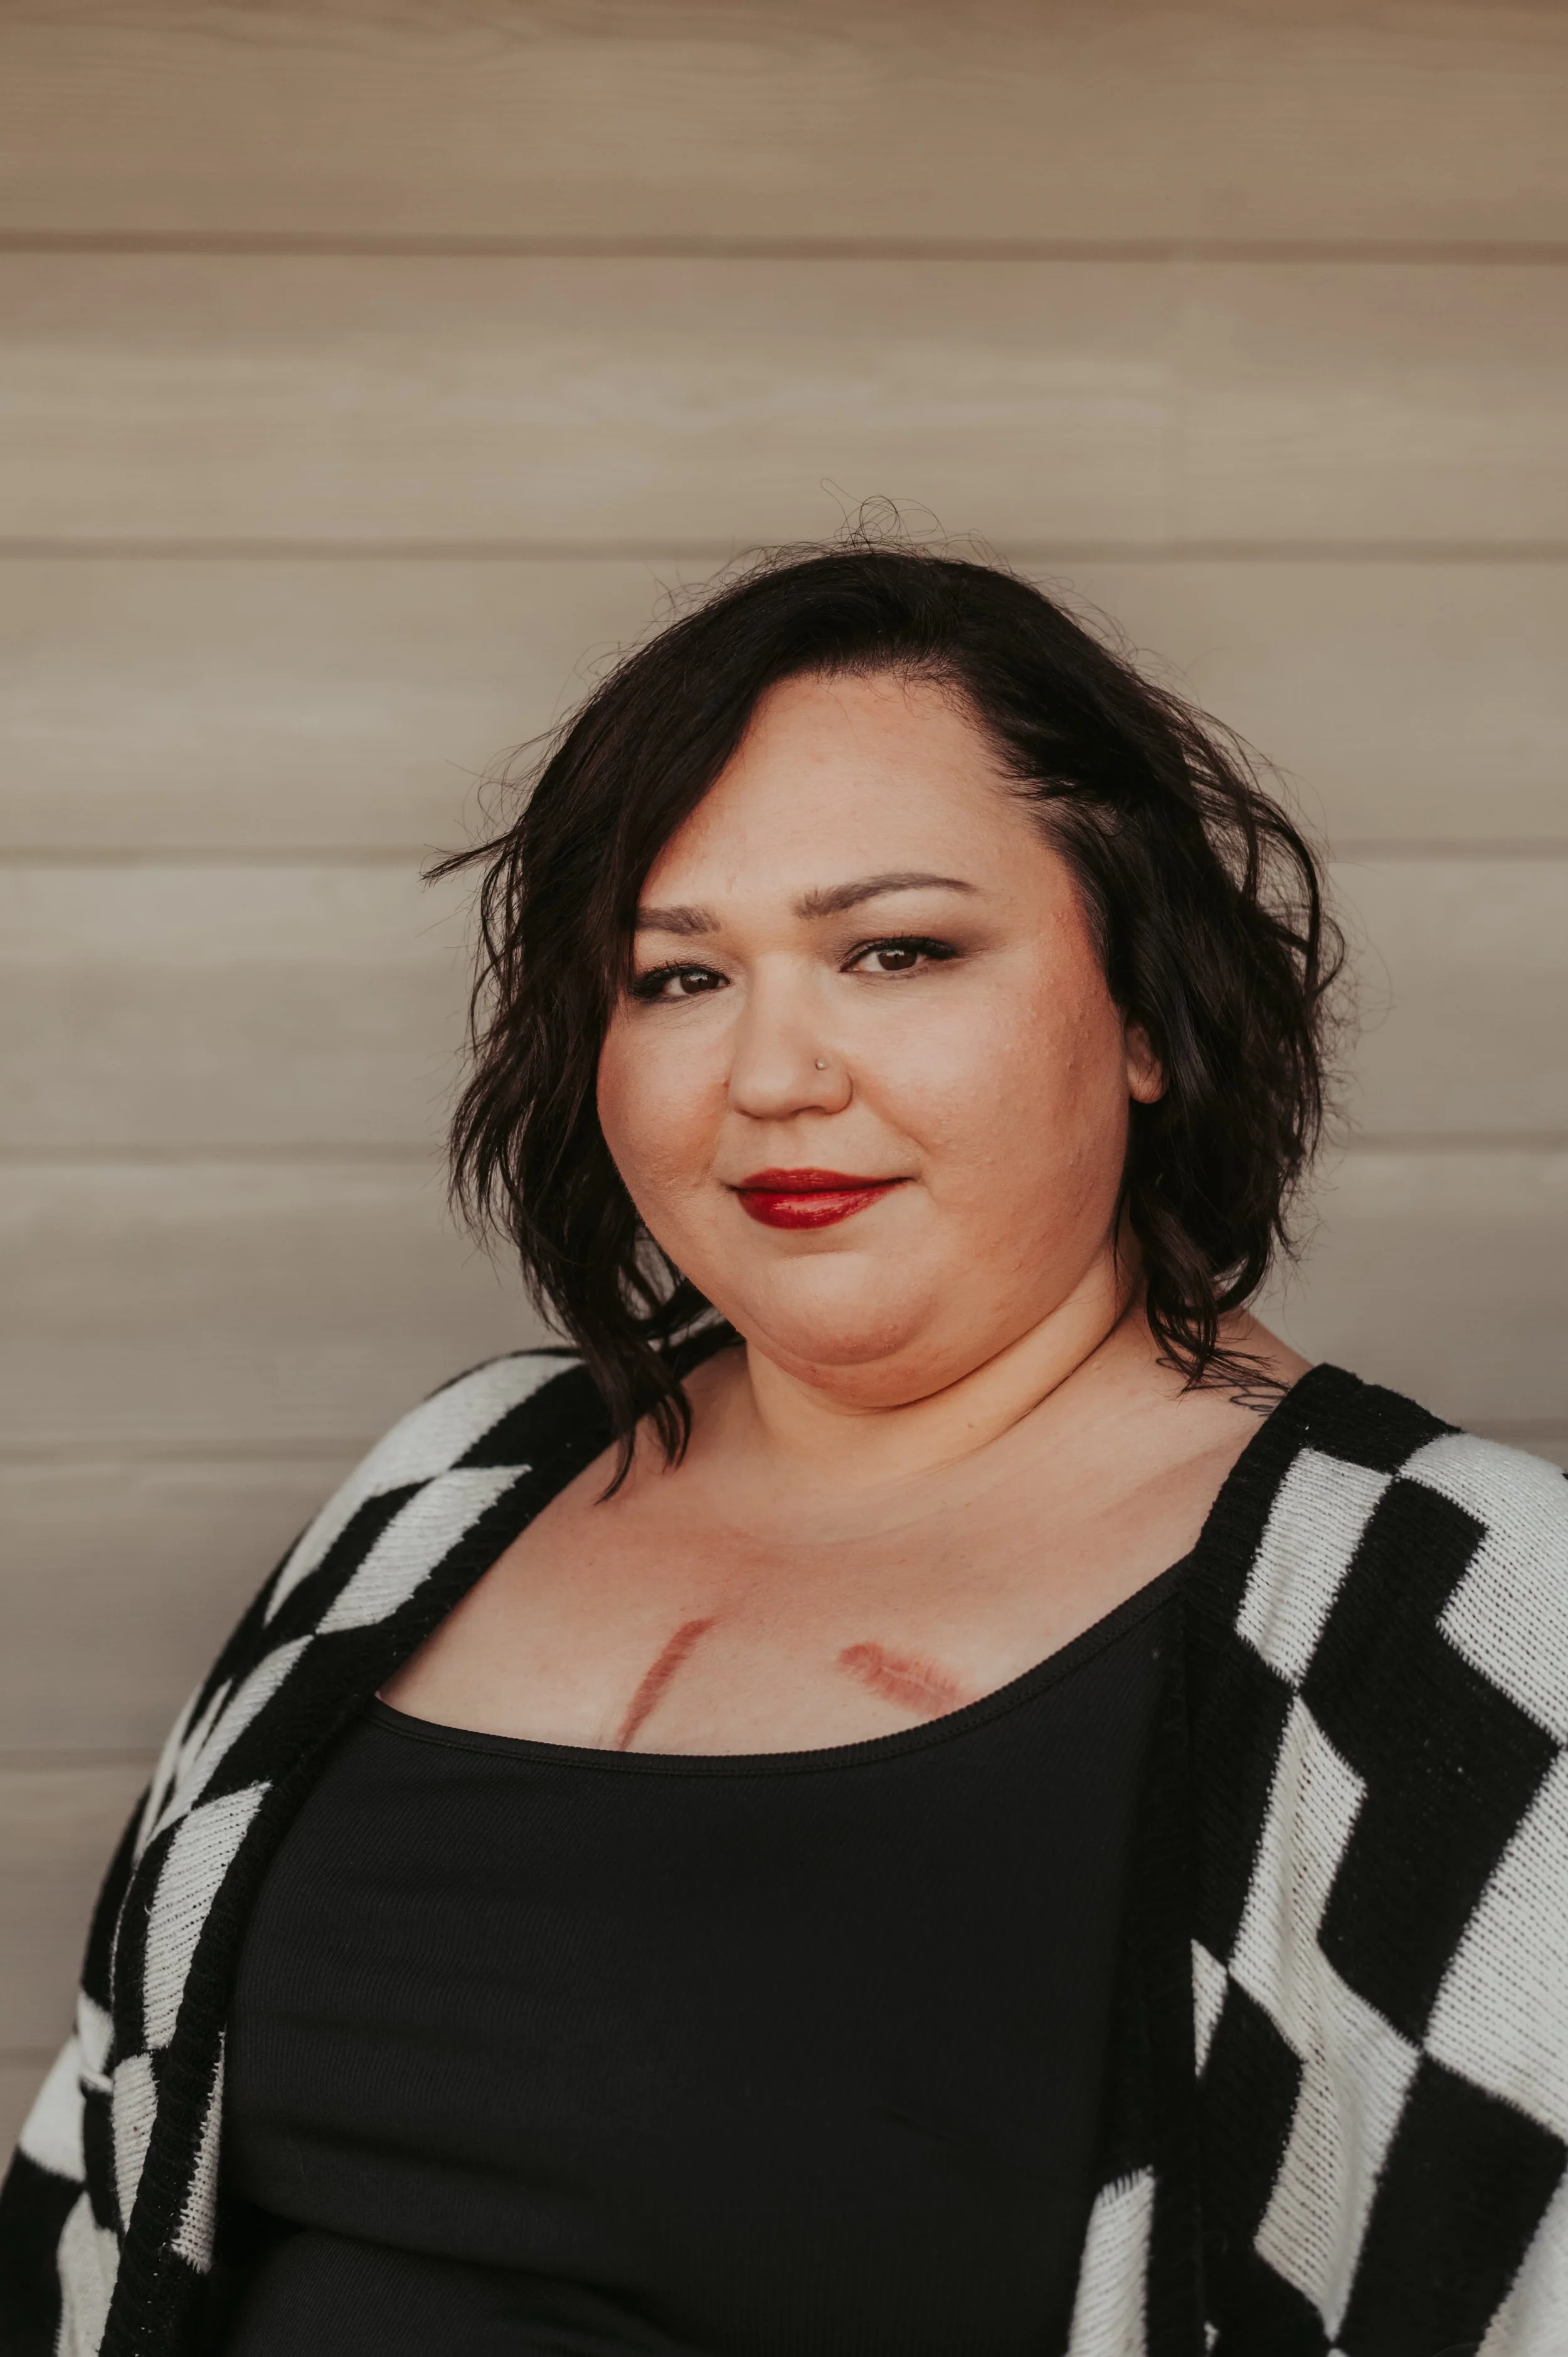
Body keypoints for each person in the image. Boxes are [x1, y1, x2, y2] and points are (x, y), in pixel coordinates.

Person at [4, 544, 1566, 2357]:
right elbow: (100, 2185)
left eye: (893, 950)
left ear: (1142, 1006)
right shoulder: (451, 1476)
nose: (770, 1074)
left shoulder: (1443, 1608)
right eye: (675, 978)